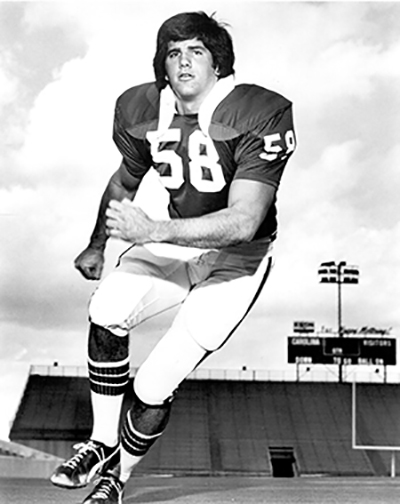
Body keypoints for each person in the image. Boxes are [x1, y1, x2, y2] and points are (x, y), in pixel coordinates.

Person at [50, 10, 296, 504]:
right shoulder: (140, 107)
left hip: (236, 261)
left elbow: (244, 220)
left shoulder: (256, 110)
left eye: (196, 52)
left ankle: (116, 478)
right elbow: (124, 179)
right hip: (174, 243)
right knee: (106, 312)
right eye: (174, 52)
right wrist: (98, 243)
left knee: (153, 384)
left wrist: (153, 228)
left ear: (218, 63)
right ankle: (100, 443)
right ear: (162, 63)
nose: (184, 62)